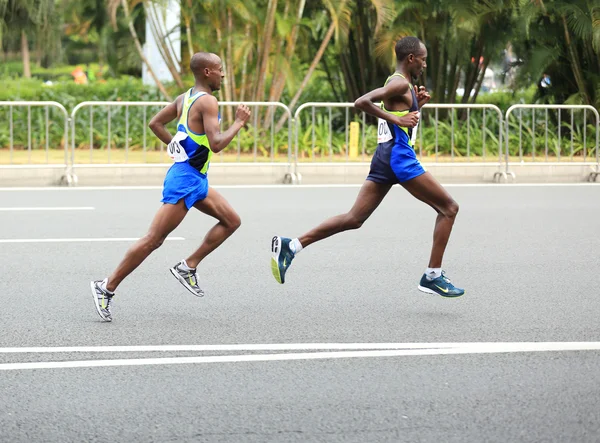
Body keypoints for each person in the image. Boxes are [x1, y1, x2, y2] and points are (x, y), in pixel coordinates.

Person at [270, 36, 464, 297]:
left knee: (354, 218)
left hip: (384, 156)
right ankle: (432, 276)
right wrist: (397, 116)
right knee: (449, 208)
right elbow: (361, 102)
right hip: (399, 159)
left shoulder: (396, 82)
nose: (425, 65)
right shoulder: (398, 83)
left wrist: (417, 104)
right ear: (411, 58)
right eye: (423, 59)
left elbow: (401, 116)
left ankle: (291, 246)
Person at [90, 52, 251, 322]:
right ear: (207, 72)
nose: (223, 74)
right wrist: (238, 122)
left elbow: (155, 123)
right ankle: (106, 286)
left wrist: (179, 148)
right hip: (185, 180)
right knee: (153, 239)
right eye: (220, 69)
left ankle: (188, 265)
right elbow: (217, 144)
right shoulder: (208, 101)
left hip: (196, 178)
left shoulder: (185, 97)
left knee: (231, 220)